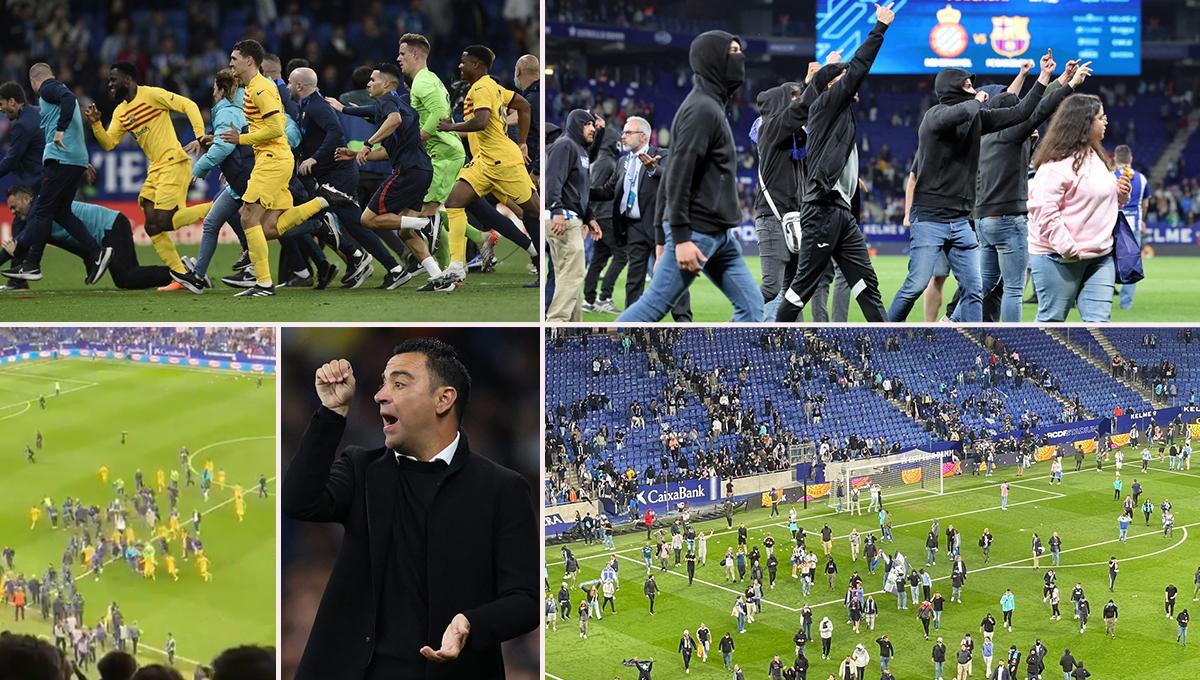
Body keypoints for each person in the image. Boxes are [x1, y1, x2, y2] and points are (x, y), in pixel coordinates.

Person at [281, 340, 538, 678]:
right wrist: (330, 415)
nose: (380, 395)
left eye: (399, 384)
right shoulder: (361, 469)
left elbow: (526, 600)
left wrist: (471, 623)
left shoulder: (501, 488)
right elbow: (298, 500)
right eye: (384, 383)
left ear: (443, 399)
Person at [888, 55, 1051, 322]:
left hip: (961, 220)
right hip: (930, 217)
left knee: (974, 290)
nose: (975, 89)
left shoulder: (975, 119)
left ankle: (968, 338)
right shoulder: (934, 116)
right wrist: (976, 102)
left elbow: (1019, 113)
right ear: (953, 88)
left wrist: (1043, 78)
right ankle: (887, 333)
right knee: (917, 284)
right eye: (968, 85)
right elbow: (959, 113)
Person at [616, 31, 762, 322]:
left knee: (753, 309)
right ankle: (606, 356)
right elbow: (678, 176)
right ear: (712, 60)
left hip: (718, 234)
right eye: (732, 51)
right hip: (695, 232)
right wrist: (678, 238)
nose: (741, 58)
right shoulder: (702, 109)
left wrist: (660, 238)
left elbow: (671, 177)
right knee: (651, 309)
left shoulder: (710, 104)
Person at [776, 2, 896, 322]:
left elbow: (835, 79)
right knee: (803, 287)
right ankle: (773, 335)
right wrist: (879, 27)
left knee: (865, 285)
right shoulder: (828, 104)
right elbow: (857, 67)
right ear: (833, 86)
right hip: (823, 209)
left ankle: (887, 338)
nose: (851, 82)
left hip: (841, 212)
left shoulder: (834, 109)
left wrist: (830, 65)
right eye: (843, 78)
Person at [83, 61, 211, 291]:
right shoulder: (120, 112)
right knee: (152, 226)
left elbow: (189, 105)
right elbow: (109, 143)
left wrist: (201, 135)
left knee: (163, 220)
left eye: (114, 80)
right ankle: (183, 275)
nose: (110, 84)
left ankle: (219, 207)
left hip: (173, 161)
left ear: (128, 80)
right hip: (156, 169)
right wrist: (95, 125)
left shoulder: (152, 94)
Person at [975, 60, 1085, 320]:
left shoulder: (983, 135)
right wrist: (1067, 83)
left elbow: (1032, 108)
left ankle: (955, 321)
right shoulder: (1011, 132)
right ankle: (1012, 341)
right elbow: (1039, 109)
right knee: (1013, 288)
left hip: (983, 220)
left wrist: (1055, 79)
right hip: (1007, 219)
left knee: (983, 287)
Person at [435, 45, 541, 288]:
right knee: (454, 202)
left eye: (464, 62)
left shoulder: (482, 87)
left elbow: (482, 121)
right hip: (483, 162)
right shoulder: (493, 86)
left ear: (476, 65)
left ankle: (547, 262)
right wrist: (522, 142)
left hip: (503, 162)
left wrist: (452, 127)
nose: (459, 66)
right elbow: (524, 106)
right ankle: (457, 266)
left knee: (532, 211)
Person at [1, 64, 113, 285]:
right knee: (60, 213)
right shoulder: (44, 102)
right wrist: (80, 158)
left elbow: (69, 99)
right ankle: (96, 252)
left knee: (42, 212)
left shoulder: (47, 88)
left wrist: (61, 131)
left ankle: (31, 265)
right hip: (71, 159)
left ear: (34, 81)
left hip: (61, 160)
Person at [1027, 92, 1129, 321]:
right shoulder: (1055, 165)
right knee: (1052, 320)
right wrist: (1068, 248)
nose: (1106, 121)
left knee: (1099, 324)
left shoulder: (1097, 157)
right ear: (1084, 123)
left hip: (1100, 255)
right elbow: (1043, 211)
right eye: (1100, 117)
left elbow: (1103, 201)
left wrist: (1120, 194)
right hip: (1059, 256)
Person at [588, 115, 680, 317]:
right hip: (633, 226)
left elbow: (675, 180)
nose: (623, 137)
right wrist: (584, 190)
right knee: (634, 279)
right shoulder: (622, 162)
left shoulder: (662, 155)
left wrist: (654, 169)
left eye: (628, 133)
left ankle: (683, 318)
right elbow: (607, 191)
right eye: (623, 133)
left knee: (671, 277)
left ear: (644, 136)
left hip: (659, 227)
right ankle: (634, 320)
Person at [544, 109, 602, 320]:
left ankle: (572, 323)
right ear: (577, 124)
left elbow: (579, 190)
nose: (592, 129)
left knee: (567, 276)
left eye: (593, 125)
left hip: (571, 217)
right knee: (574, 273)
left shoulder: (580, 150)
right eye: (588, 124)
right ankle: (556, 320)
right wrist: (556, 209)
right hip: (564, 219)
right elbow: (553, 180)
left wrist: (589, 217)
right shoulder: (565, 145)